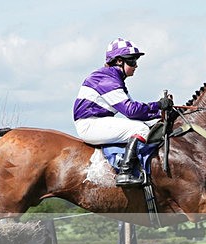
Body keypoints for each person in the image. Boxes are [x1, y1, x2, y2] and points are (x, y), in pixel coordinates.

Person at [73, 38, 173, 187]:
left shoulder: (114, 78)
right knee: (140, 129)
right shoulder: (106, 78)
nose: (136, 65)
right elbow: (131, 111)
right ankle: (125, 172)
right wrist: (158, 104)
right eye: (132, 61)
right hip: (90, 124)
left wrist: (162, 113)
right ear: (119, 61)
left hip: (96, 121)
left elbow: (138, 113)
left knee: (143, 125)